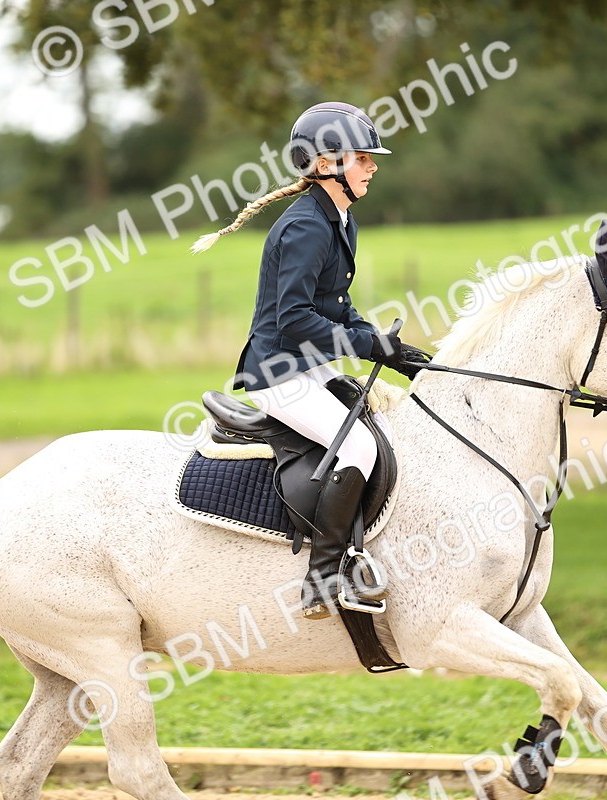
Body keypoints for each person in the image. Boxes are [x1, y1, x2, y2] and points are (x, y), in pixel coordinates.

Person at [191, 102, 411, 620]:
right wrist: (362, 345)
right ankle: (323, 578)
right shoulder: (306, 228)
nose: (373, 166)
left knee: (380, 425)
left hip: (309, 364)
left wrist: (389, 348)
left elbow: (335, 306)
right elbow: (293, 319)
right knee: (356, 444)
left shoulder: (340, 220)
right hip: (279, 371)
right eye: (363, 158)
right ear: (328, 163)